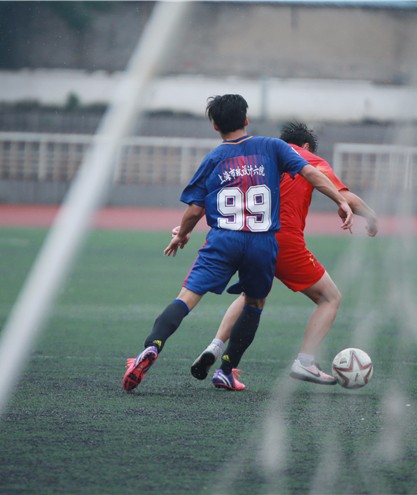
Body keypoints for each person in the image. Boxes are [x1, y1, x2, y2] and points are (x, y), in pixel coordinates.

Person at [122, 96, 354, 392]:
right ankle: (226, 369)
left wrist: (182, 234)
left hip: (224, 240)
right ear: (246, 119)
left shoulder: (214, 159)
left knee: (188, 297)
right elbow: (310, 172)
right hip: (262, 242)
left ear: (215, 125)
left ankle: (152, 346)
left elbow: (194, 209)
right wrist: (340, 201)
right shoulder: (273, 147)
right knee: (254, 303)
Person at [189, 121, 379, 387]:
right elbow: (345, 196)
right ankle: (305, 362)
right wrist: (371, 216)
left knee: (251, 296)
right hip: (286, 241)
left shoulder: (266, 156)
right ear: (305, 146)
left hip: (254, 237)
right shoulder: (309, 159)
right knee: (330, 298)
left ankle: (216, 350)